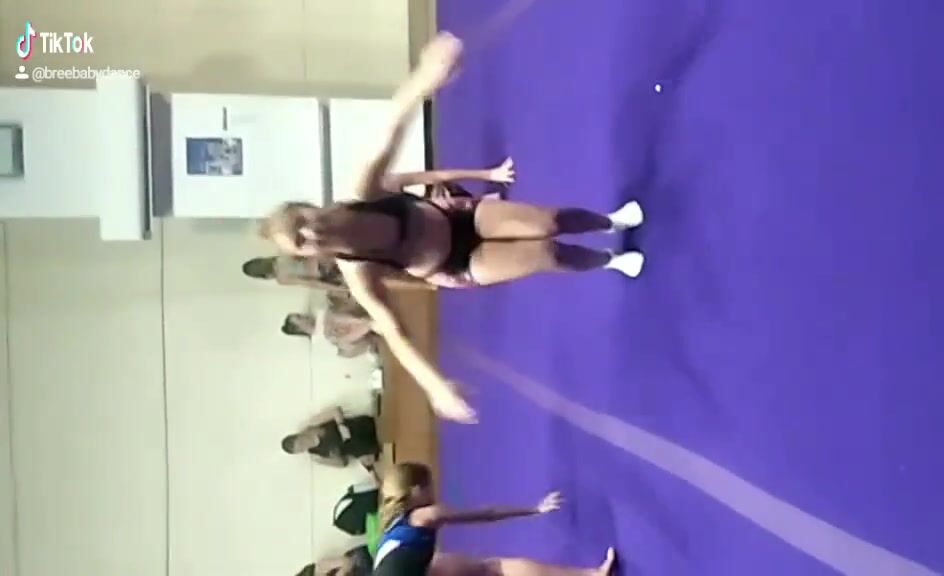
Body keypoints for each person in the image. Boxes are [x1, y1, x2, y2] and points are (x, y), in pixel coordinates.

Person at [259, 33, 645, 423]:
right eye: (301, 242)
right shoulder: (357, 271)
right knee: (546, 252)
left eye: (302, 223)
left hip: (459, 216)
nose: (310, 234)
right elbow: (395, 332)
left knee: (548, 222)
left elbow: (390, 130)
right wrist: (434, 386)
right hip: (456, 264)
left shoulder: (362, 192)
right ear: (307, 255)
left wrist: (425, 78)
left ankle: (609, 220)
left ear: (308, 207)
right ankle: (608, 259)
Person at [373, 462, 617, 576]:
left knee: (463, 567)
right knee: (494, 568)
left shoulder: (392, 527)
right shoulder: (425, 515)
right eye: (430, 487)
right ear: (417, 490)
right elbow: (488, 514)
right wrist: (534, 509)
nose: (435, 493)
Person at [282, 406, 380, 469]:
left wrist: (341, 425)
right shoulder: (317, 456)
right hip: (364, 449)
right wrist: (332, 458)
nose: (305, 446)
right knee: (371, 459)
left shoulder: (313, 425)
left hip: (361, 428)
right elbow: (343, 463)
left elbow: (335, 411)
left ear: (299, 436)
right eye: (301, 449)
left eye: (301, 443)